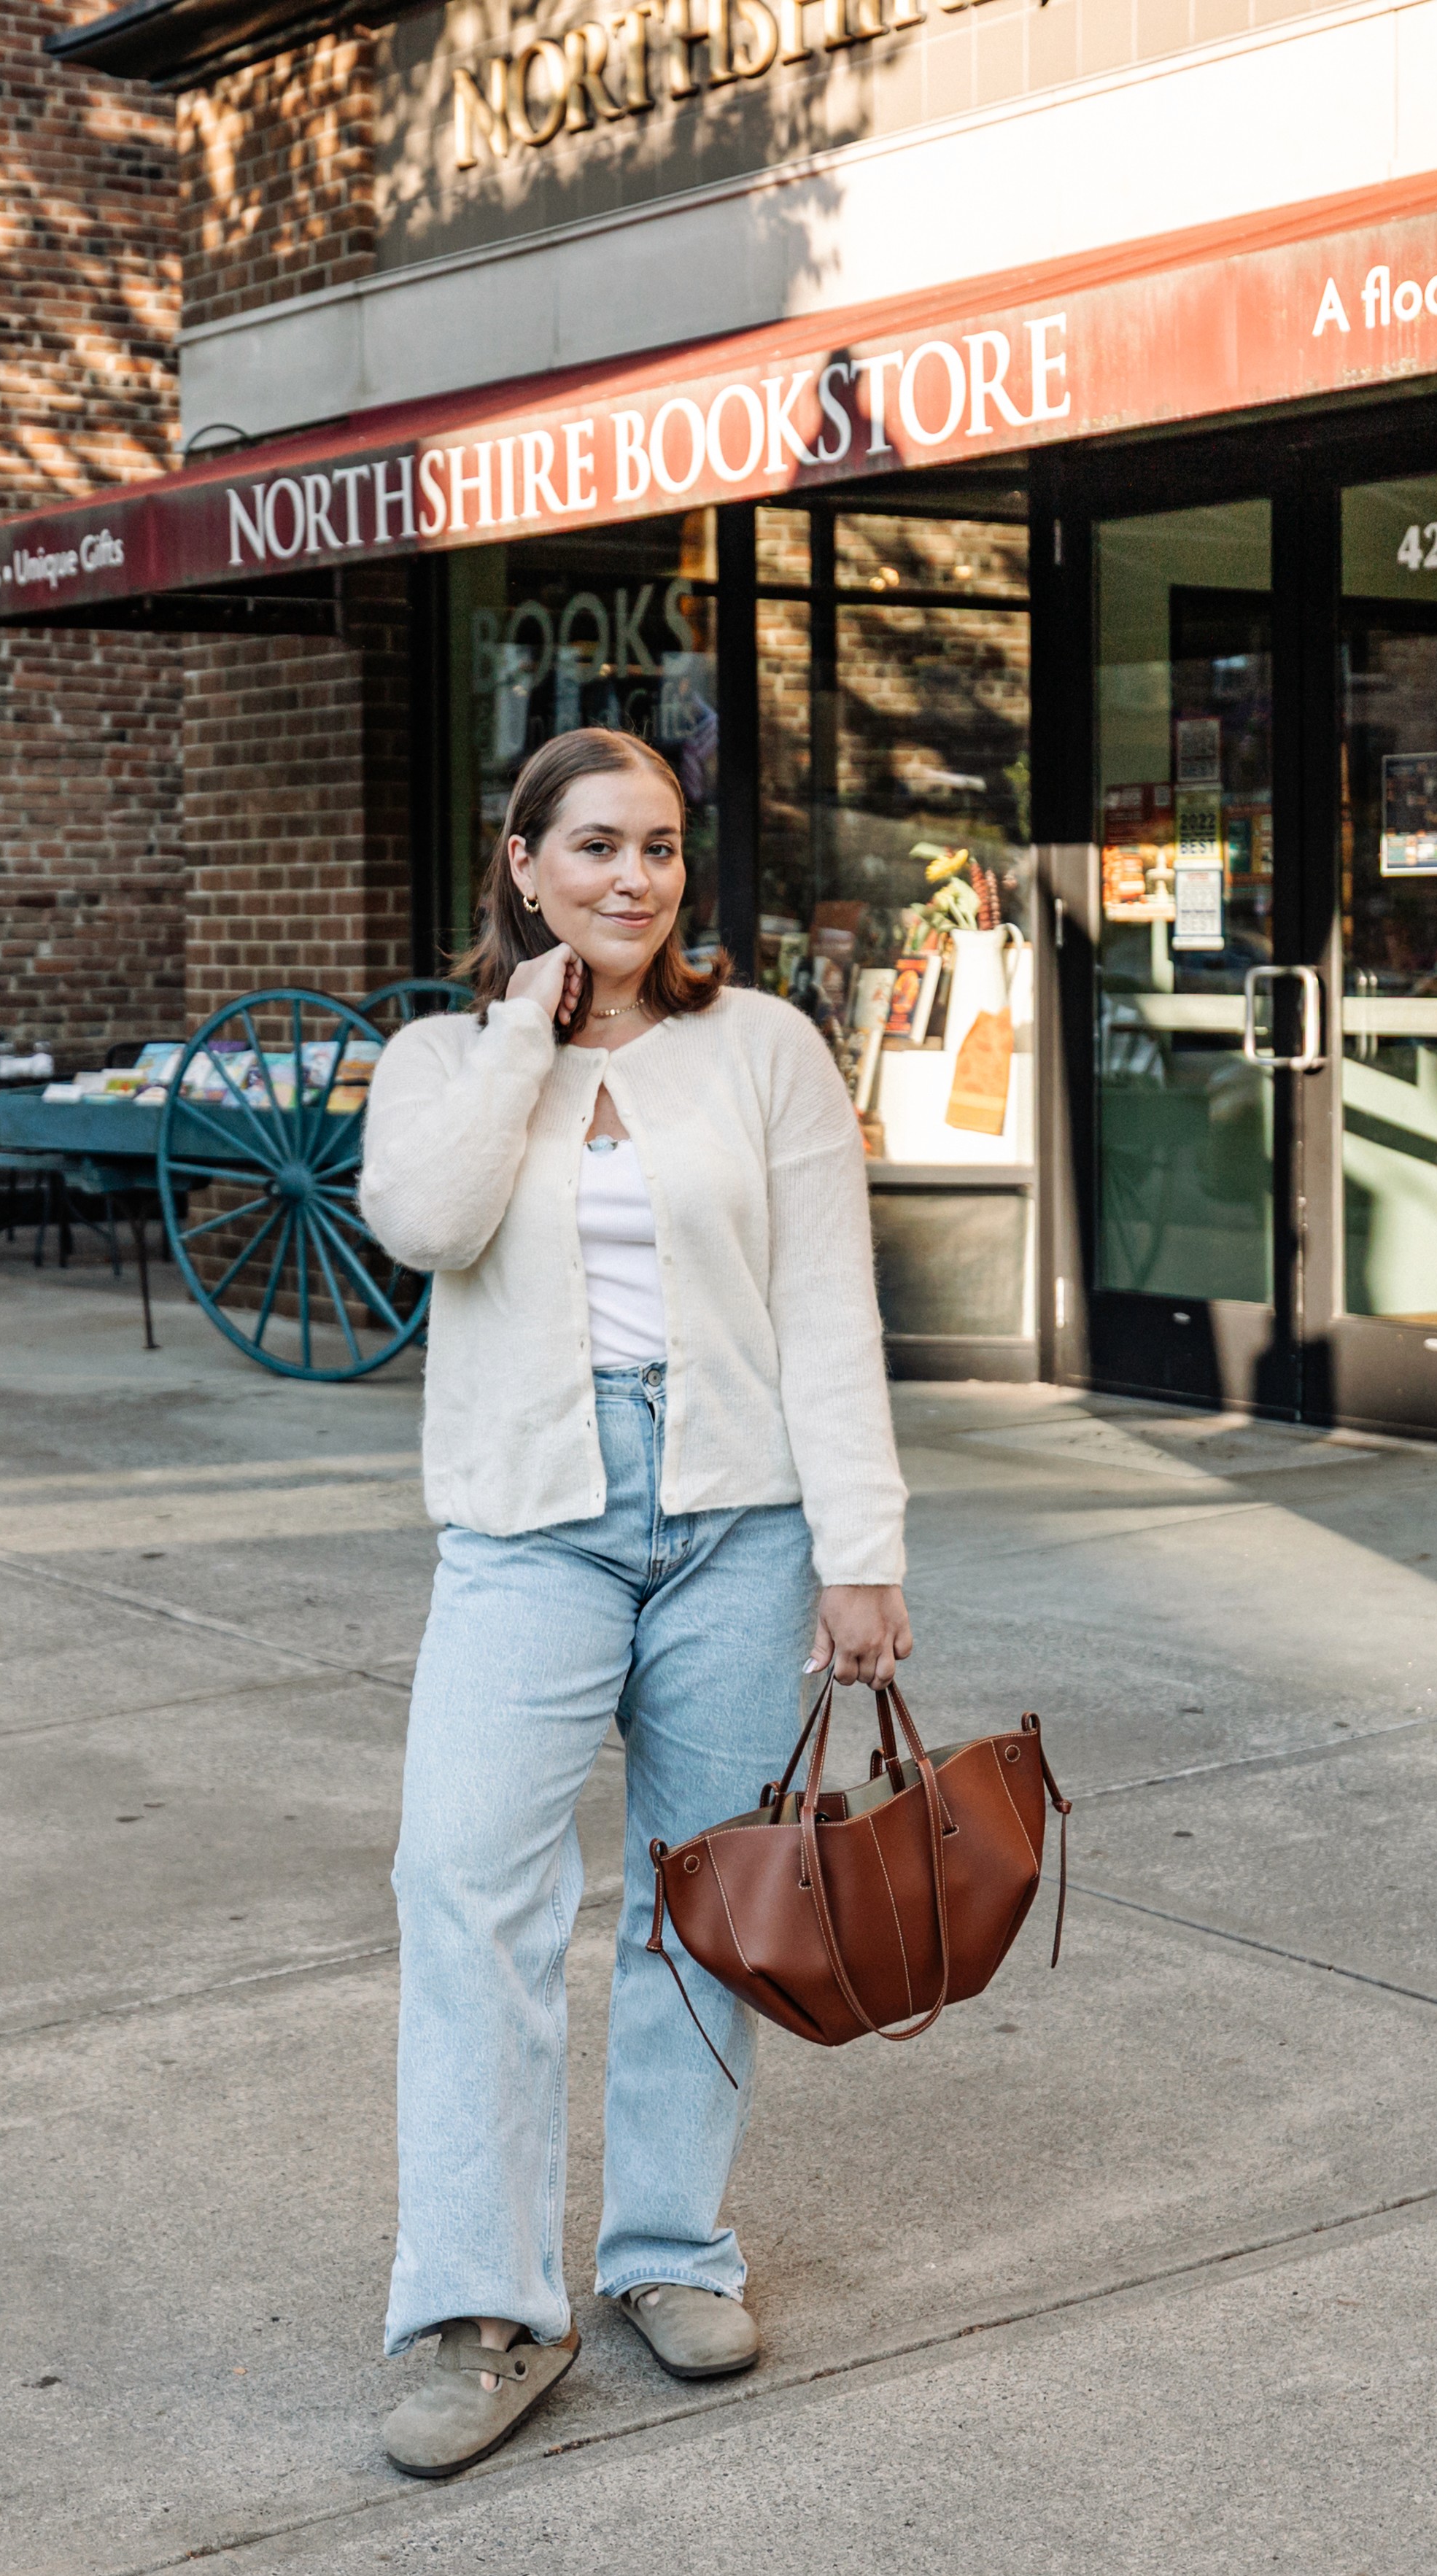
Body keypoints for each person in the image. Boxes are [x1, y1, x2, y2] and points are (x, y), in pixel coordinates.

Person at [355, 723, 910, 2479]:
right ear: (521, 863)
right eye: (593, 845)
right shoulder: (440, 1055)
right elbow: (420, 1222)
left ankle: (668, 2249)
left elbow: (828, 1305)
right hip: (528, 1525)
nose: (632, 878)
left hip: (735, 1517)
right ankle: (481, 2306)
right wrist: (527, 1025)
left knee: (706, 1896)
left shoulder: (761, 1048)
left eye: (660, 848)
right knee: (464, 1887)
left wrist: (859, 1547)